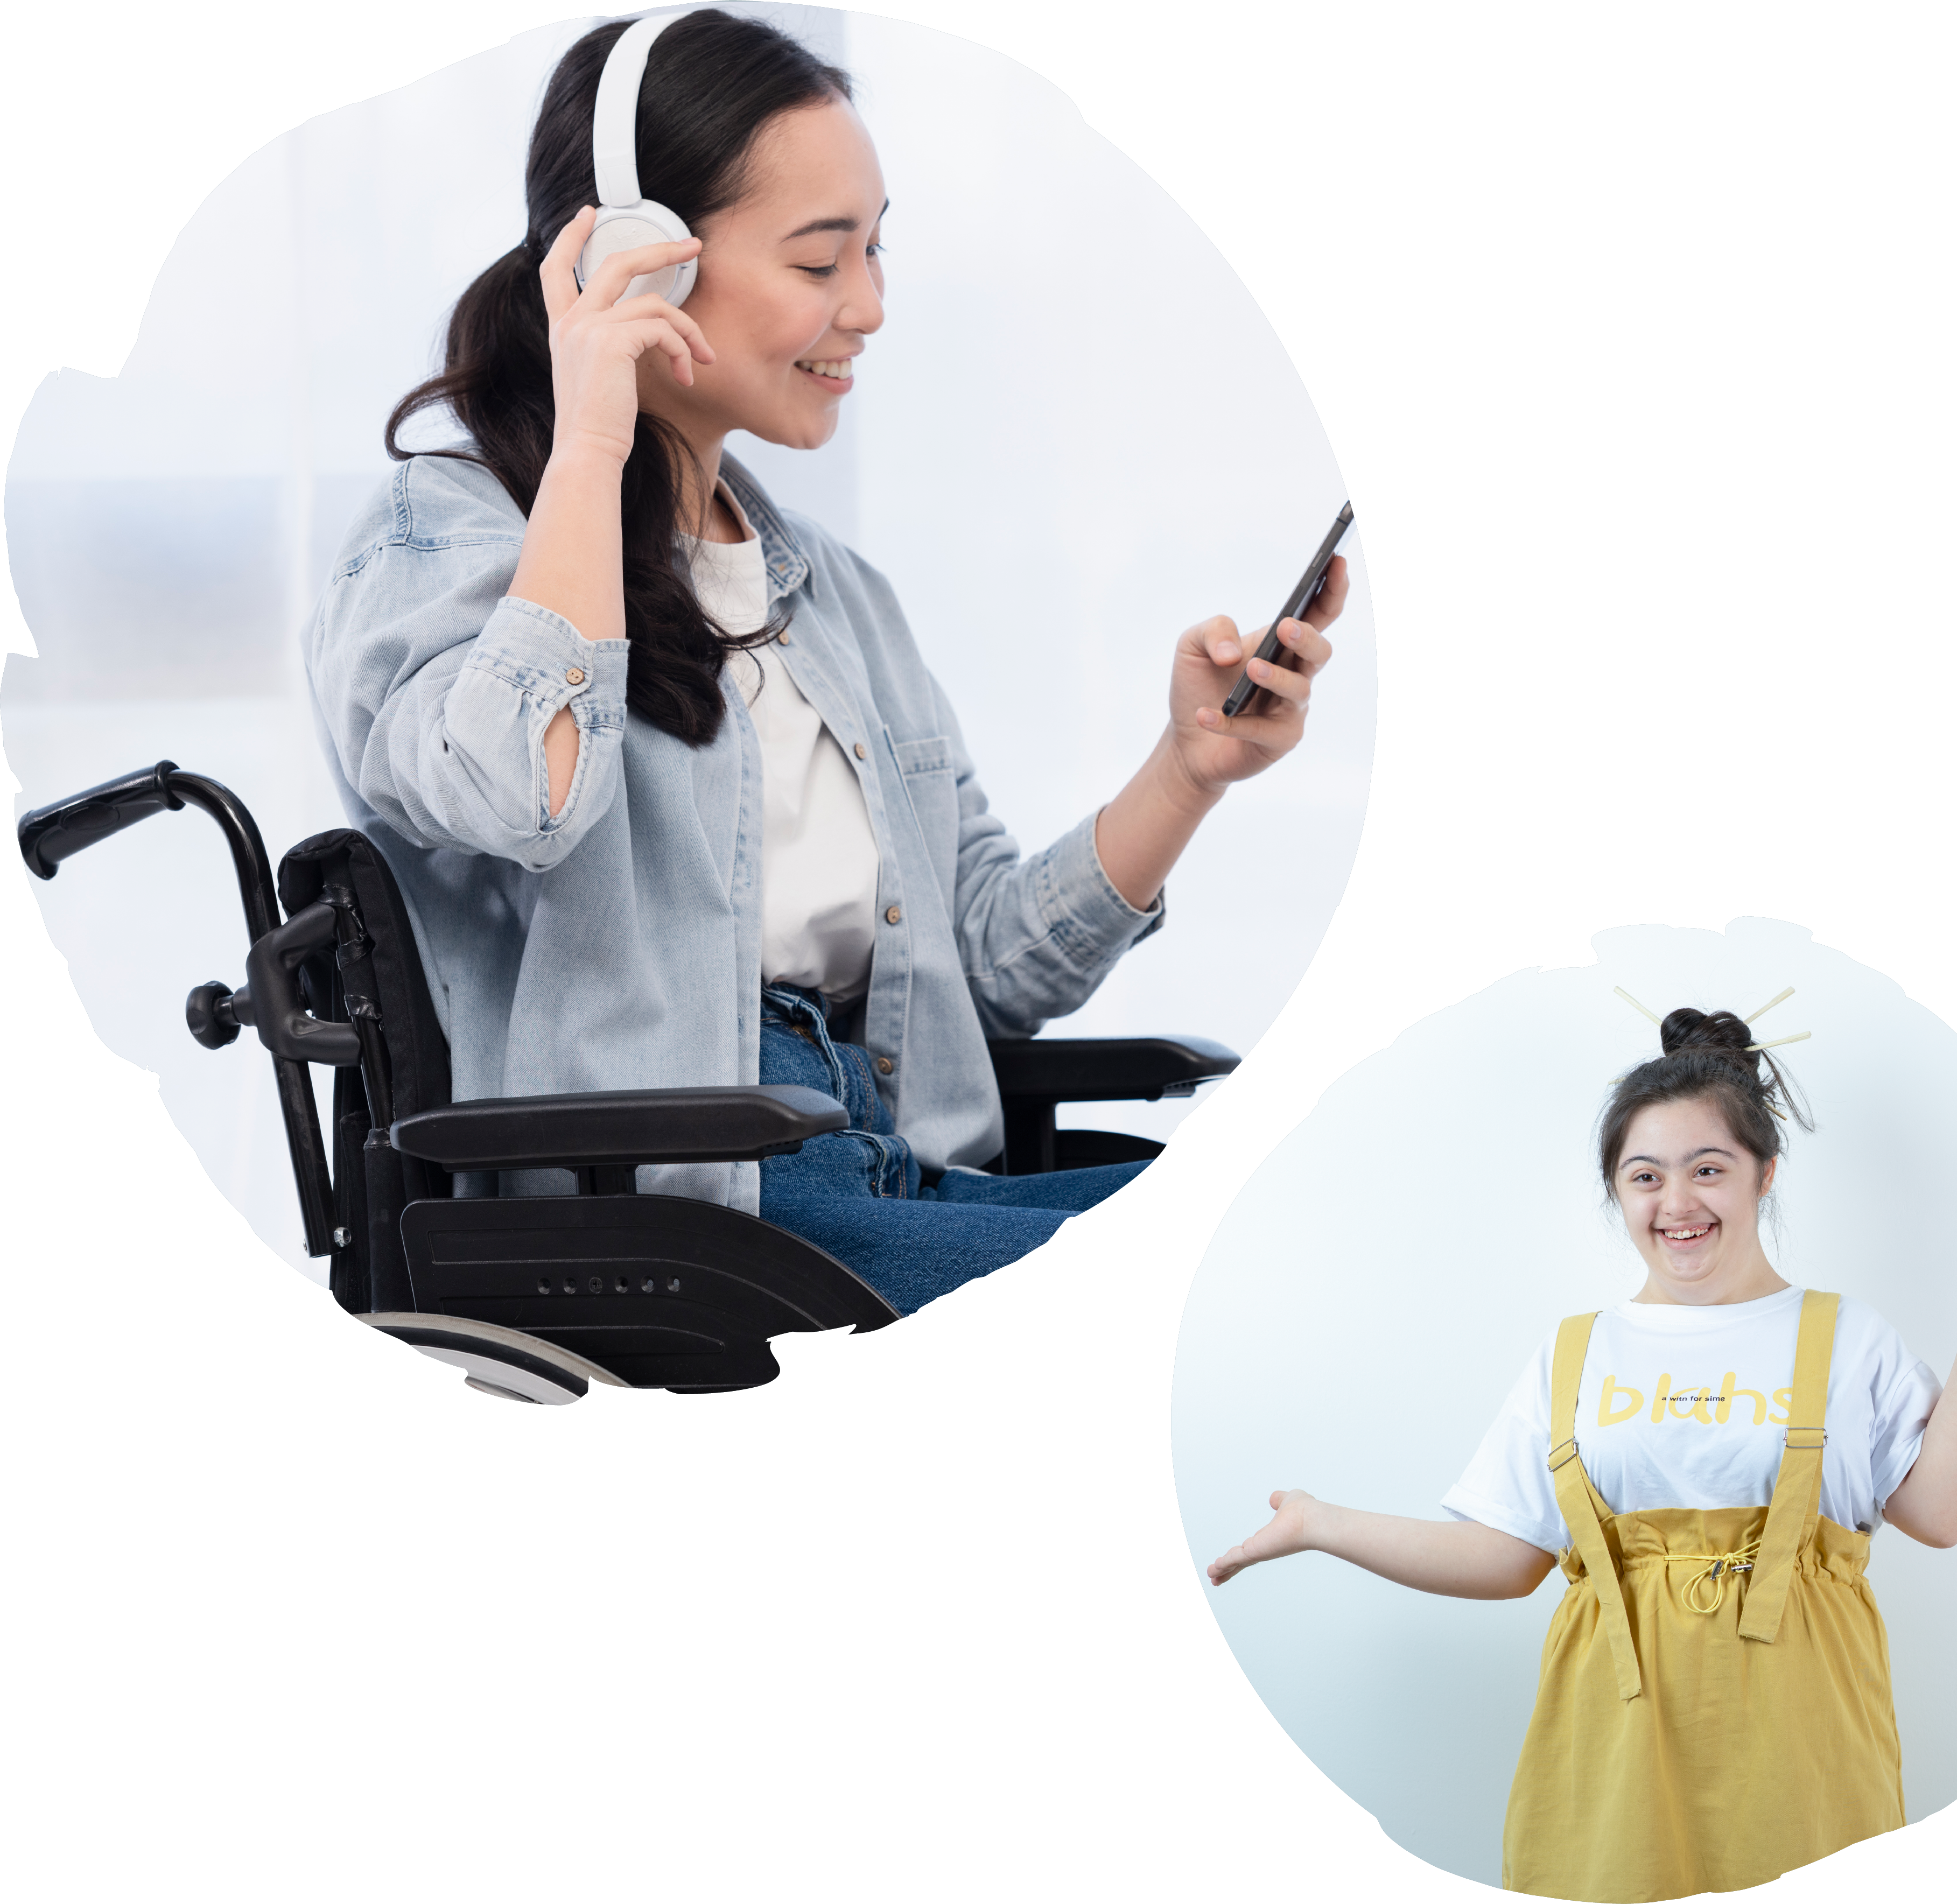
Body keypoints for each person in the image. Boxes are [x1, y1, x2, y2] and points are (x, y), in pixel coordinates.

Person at [305, 9, 1343, 1318]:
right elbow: (525, 794)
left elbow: (989, 967)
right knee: (1230, 1291)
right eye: (818, 257)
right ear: (641, 265)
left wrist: (1189, 771)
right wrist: (586, 441)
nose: (869, 305)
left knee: (1298, 1227)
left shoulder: (836, 597)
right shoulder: (441, 538)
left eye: (876, 246)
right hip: (683, 1212)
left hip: (878, 1165)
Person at [1205, 1004, 1957, 1902]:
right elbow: (1508, 1557)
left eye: (1706, 1169)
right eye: (1644, 1177)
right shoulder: (1574, 1352)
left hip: (1804, 1745)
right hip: (1613, 1743)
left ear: (1763, 1175)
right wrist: (1322, 1524)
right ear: (1616, 1191)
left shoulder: (1847, 1339)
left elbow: (1940, 1516)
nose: (1676, 1204)